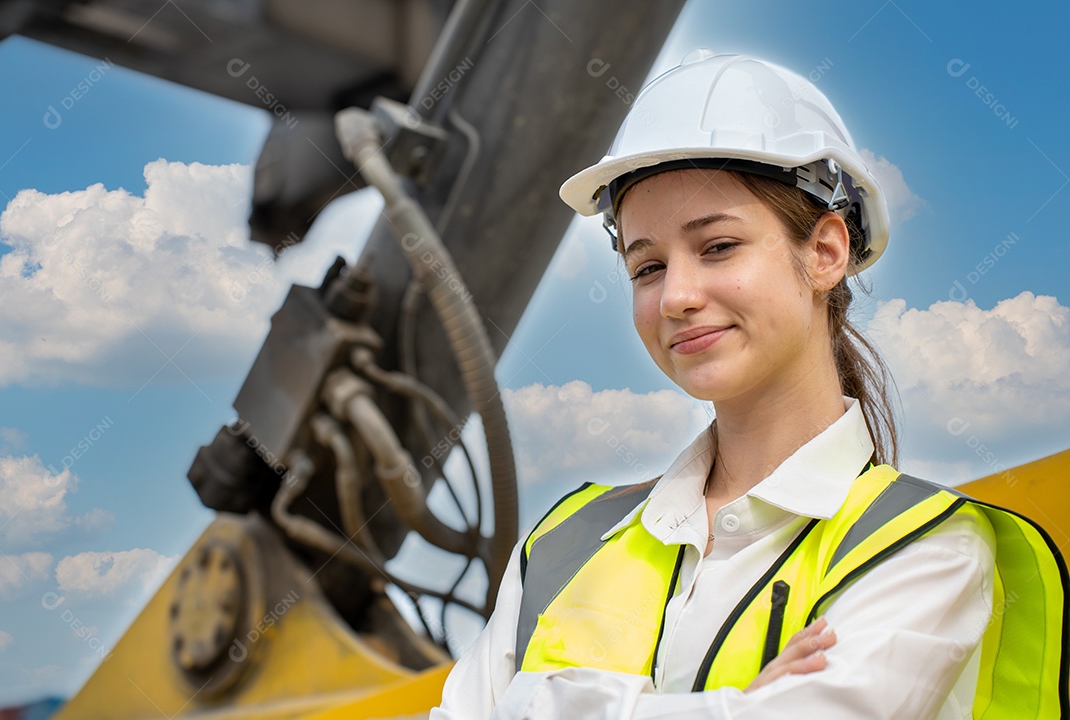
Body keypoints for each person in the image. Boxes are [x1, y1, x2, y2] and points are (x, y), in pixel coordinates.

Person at [430, 51, 1067, 719]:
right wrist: (726, 708)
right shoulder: (563, 542)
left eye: (718, 247)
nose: (676, 295)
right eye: (646, 267)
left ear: (825, 253)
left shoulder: (924, 548)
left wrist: (539, 699)